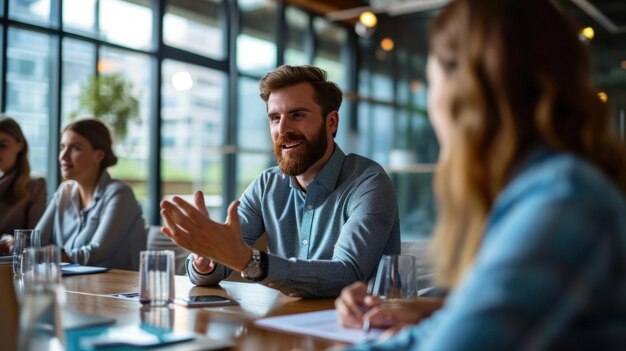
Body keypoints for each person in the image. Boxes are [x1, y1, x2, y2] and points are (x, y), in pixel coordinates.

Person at [336, 0, 626, 349]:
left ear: (466, 92)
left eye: (432, 82)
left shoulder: (564, 199)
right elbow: (449, 327)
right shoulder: (540, 191)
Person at [160, 65, 401, 298]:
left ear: (331, 122)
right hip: (286, 324)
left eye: (297, 115)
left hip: (363, 328)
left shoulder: (369, 182)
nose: (282, 129)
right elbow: (220, 263)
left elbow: (348, 273)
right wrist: (207, 259)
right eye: (275, 118)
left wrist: (250, 261)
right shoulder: (267, 185)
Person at [36, 118, 146, 270]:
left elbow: (97, 252)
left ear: (99, 155)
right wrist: (14, 244)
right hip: (69, 284)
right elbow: (36, 240)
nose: (63, 156)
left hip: (113, 288)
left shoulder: (120, 194)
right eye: (63, 147)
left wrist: (43, 256)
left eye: (75, 148)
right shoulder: (64, 192)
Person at [0, 116, 46, 254]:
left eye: (3, 145)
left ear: (20, 145)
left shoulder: (35, 184)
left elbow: (34, 238)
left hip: (11, 265)